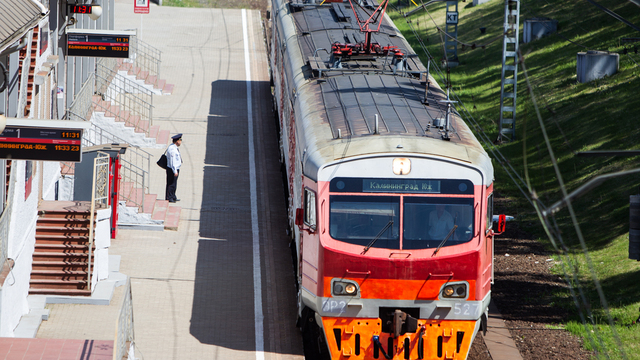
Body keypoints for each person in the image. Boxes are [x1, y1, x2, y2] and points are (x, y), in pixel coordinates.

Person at [165, 133, 183, 203]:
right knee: (171, 184)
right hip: (172, 169)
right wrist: (175, 171)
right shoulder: (172, 149)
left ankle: (173, 196)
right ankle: (169, 197)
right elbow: (172, 162)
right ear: (177, 141)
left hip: (175, 168)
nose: (181, 142)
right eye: (180, 140)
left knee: (174, 184)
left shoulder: (174, 147)